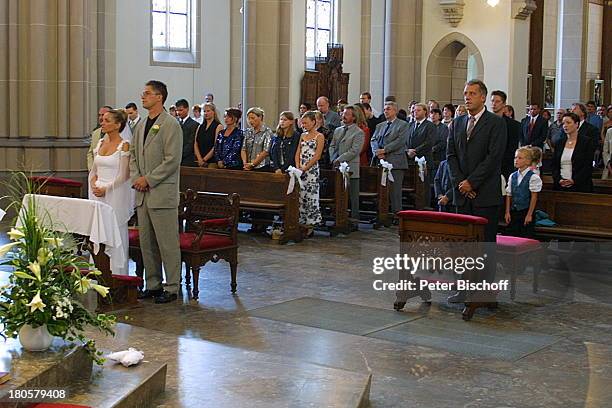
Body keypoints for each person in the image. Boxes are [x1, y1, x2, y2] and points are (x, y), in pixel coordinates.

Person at [446, 79, 506, 305]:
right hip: (462, 194)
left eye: (472, 93)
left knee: (485, 245)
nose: (467, 97)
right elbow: (450, 156)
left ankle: (484, 293)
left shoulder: (495, 123)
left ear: (483, 97)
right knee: (461, 246)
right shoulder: (457, 123)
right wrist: (461, 182)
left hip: (485, 194)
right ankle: (463, 289)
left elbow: (494, 157)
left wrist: (472, 182)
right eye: (465, 93)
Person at [129, 80, 182, 304]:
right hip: (143, 194)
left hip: (161, 193)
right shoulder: (141, 125)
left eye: (147, 93)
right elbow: (132, 154)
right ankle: (152, 283)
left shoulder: (170, 124)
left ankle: (171, 286)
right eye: (143, 93)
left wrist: (148, 179)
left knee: (167, 243)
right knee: (147, 243)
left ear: (159, 97)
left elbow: (172, 160)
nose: (143, 97)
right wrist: (136, 178)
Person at [89, 109, 134, 275]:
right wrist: (94, 184)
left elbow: (124, 175)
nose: (102, 122)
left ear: (117, 125)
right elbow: (94, 170)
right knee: (98, 232)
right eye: (102, 119)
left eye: (107, 120)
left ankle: (117, 273)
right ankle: (98, 272)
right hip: (98, 193)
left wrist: (106, 188)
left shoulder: (124, 145)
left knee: (114, 232)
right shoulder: (100, 143)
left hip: (114, 194)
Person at [371, 101, 410, 218]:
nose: (385, 111)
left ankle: (397, 214)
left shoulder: (403, 125)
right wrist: (377, 152)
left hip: (395, 162)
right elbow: (373, 140)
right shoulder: (380, 125)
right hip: (381, 161)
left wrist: (385, 150)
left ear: (395, 111)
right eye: (384, 109)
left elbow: (400, 141)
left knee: (395, 191)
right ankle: (383, 213)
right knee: (382, 189)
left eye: (388, 109)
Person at [329, 105, 365, 224]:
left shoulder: (358, 132)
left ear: (354, 117)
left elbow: (354, 151)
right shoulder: (338, 130)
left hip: (350, 166)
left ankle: (354, 218)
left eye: (347, 114)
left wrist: (339, 159)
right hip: (336, 166)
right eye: (343, 113)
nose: (343, 116)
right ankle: (339, 215)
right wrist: (333, 158)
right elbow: (332, 146)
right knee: (338, 192)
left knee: (352, 195)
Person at [295, 111, 324, 236]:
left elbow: (317, 156)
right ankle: (300, 223)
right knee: (301, 195)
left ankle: (310, 225)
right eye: (302, 123)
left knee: (310, 196)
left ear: (313, 122)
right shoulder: (302, 135)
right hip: (300, 169)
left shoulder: (319, 136)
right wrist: (298, 167)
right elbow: (298, 152)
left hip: (311, 171)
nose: (304, 125)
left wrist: (305, 168)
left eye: (306, 123)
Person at [504, 147, 542, 239]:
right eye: (515, 158)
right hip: (514, 211)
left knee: (525, 237)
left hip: (525, 211)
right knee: (511, 236)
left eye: (520, 158)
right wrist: (507, 211)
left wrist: (529, 215)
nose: (516, 160)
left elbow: (534, 197)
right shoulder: (512, 176)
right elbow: (509, 195)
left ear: (528, 161)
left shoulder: (533, 177)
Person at [551, 112, 594, 192]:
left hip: (580, 185)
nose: (565, 125)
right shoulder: (559, 143)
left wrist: (574, 180)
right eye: (563, 123)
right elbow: (554, 165)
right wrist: (559, 179)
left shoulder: (586, 142)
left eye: (568, 123)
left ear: (576, 124)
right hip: (560, 185)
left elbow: (587, 166)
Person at [490, 90, 521, 180]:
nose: (494, 104)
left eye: (497, 101)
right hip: (486, 167)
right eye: (492, 101)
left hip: (505, 167)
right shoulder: (485, 122)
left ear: (504, 104)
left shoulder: (514, 125)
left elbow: (512, 149)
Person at [241, 107, 273, 171]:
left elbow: (265, 152)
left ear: (260, 117)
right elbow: (243, 149)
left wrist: (253, 164)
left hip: (262, 166)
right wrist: (245, 163)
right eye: (249, 118)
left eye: (252, 118)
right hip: (247, 166)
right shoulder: (248, 131)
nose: (250, 121)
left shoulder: (267, 132)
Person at [194, 102, 223, 167]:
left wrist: (204, 159)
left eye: (208, 111)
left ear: (213, 112)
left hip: (211, 161)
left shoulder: (218, 126)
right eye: (204, 111)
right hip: (199, 160)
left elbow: (216, 146)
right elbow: (196, 143)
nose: (206, 113)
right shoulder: (200, 126)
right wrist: (200, 159)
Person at [175, 99, 199, 167]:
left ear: (187, 109)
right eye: (177, 110)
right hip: (175, 159)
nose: (178, 113)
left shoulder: (194, 124)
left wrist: (179, 155)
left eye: (181, 110)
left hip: (188, 160)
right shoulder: (175, 123)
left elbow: (191, 143)